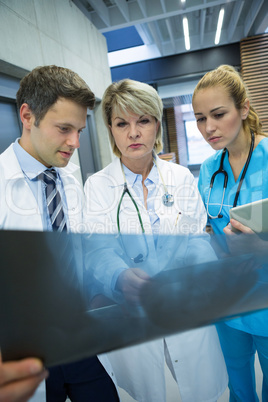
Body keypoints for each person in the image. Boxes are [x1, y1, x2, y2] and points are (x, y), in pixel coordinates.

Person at [84, 78, 228, 402]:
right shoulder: (96, 186)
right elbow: (98, 249)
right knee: (147, 392)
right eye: (122, 123)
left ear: (156, 124)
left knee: (200, 390)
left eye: (143, 121)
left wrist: (204, 271)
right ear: (111, 129)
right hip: (133, 313)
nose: (133, 133)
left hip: (184, 305)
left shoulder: (180, 178)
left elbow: (195, 237)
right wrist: (118, 277)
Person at [0, 65, 119, 402]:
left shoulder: (68, 177)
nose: (75, 143)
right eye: (64, 128)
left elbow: (85, 250)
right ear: (27, 116)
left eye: (79, 130)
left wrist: (117, 279)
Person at [193, 64, 268, 401]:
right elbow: (208, 225)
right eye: (199, 118)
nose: (208, 127)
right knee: (237, 386)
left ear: (244, 108)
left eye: (218, 114)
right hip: (225, 300)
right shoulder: (210, 168)